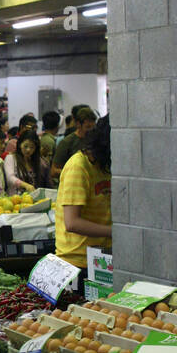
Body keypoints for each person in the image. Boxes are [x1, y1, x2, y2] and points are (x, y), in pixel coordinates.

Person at [55, 115, 112, 295]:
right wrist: (115, 232)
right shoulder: (78, 166)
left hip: (102, 258)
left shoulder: (104, 165)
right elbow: (72, 223)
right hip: (77, 263)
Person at [50, 106, 97, 182]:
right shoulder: (67, 142)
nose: (91, 130)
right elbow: (54, 171)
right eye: (87, 127)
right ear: (78, 124)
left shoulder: (95, 140)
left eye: (93, 127)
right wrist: (75, 173)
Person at [4, 129, 50, 194]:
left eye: (32, 147)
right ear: (20, 144)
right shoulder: (10, 158)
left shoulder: (36, 161)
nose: (28, 150)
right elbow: (10, 178)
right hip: (14, 199)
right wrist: (25, 185)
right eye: (25, 146)